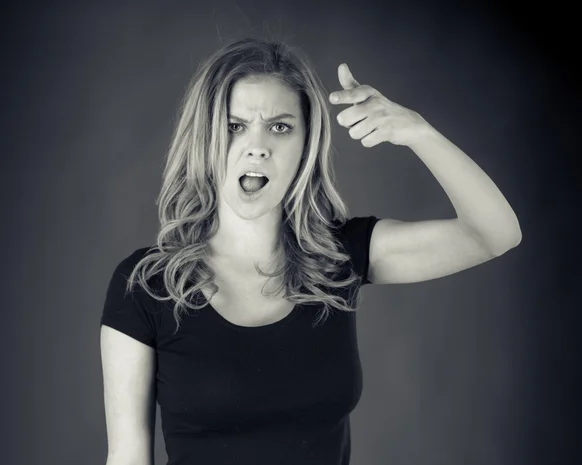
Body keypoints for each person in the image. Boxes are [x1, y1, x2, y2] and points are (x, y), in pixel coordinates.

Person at [100, 37, 522, 465]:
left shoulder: (340, 259)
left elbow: (495, 234)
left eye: (280, 127)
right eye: (235, 125)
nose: (258, 145)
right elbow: (127, 457)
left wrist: (417, 132)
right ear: (204, 139)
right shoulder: (146, 286)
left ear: (306, 145)